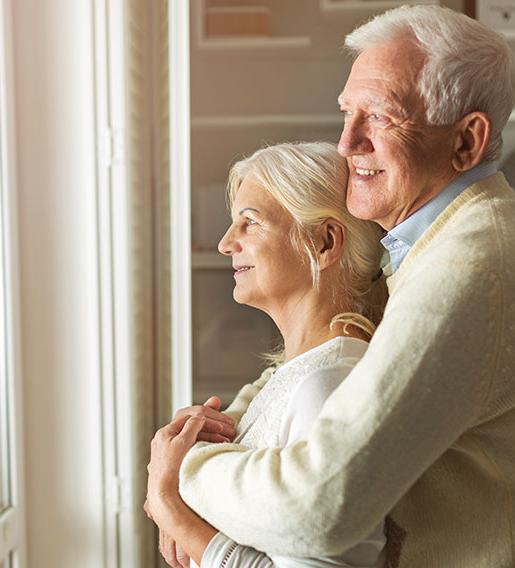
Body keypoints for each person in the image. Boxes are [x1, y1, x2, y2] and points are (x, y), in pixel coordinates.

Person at [154, 5, 515, 567]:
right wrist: (228, 421)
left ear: (465, 141)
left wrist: (181, 479)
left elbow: (322, 506)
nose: (347, 143)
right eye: (347, 112)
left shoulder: (474, 265)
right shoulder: (447, 240)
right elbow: (322, 345)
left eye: (379, 116)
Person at [145, 141, 391, 567]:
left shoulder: (330, 388)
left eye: (250, 223)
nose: (225, 243)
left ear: (324, 242)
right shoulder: (296, 376)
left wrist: (170, 507)